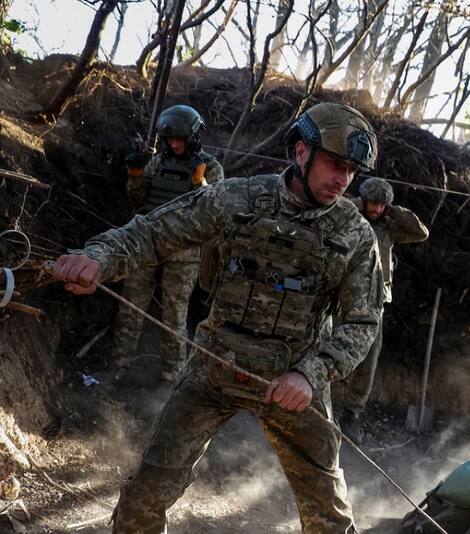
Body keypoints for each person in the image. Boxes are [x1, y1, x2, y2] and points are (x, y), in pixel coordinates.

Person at [52, 102, 384, 533]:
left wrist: (311, 374)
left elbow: (363, 322)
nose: (343, 179)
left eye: (352, 170)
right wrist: (97, 257)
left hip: (292, 383)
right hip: (214, 369)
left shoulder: (355, 233)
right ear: (301, 151)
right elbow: (153, 231)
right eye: (335, 163)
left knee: (330, 517)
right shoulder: (239, 197)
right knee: (145, 495)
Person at [115, 104, 225, 380]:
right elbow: (138, 202)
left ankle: (171, 376)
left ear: (194, 137)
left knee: (174, 315)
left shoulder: (210, 167)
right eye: (170, 139)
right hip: (149, 242)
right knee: (130, 305)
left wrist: (201, 183)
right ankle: (119, 365)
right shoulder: (158, 161)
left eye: (180, 139)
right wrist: (136, 177)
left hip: (184, 250)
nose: (175, 145)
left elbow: (216, 210)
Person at [338, 177, 429, 443]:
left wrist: (394, 211)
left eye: (381, 205)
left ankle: (352, 414)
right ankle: (321, 402)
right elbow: (334, 208)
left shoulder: (390, 229)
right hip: (342, 295)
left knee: (369, 359)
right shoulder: (350, 218)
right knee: (327, 344)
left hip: (375, 302)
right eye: (372, 204)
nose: (376, 210)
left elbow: (420, 232)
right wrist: (357, 204)